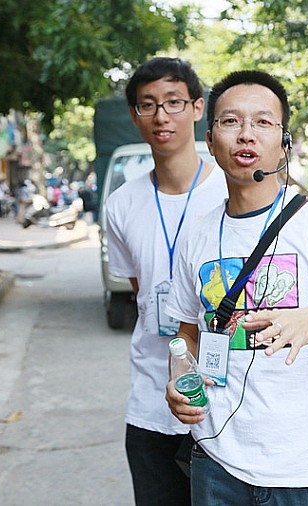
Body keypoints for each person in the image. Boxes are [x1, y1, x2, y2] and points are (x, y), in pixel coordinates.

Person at [165, 70, 308, 506]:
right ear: (210, 141)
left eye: (263, 122)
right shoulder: (196, 236)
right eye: (231, 121)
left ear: (284, 143)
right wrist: (178, 375)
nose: (246, 134)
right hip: (216, 464)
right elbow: (187, 331)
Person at [104, 57, 228, 506]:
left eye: (174, 102)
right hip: (151, 406)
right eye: (148, 104)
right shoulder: (121, 204)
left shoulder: (231, 191)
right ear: (134, 115)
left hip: (225, 403)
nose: (161, 116)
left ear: (197, 108)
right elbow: (142, 290)